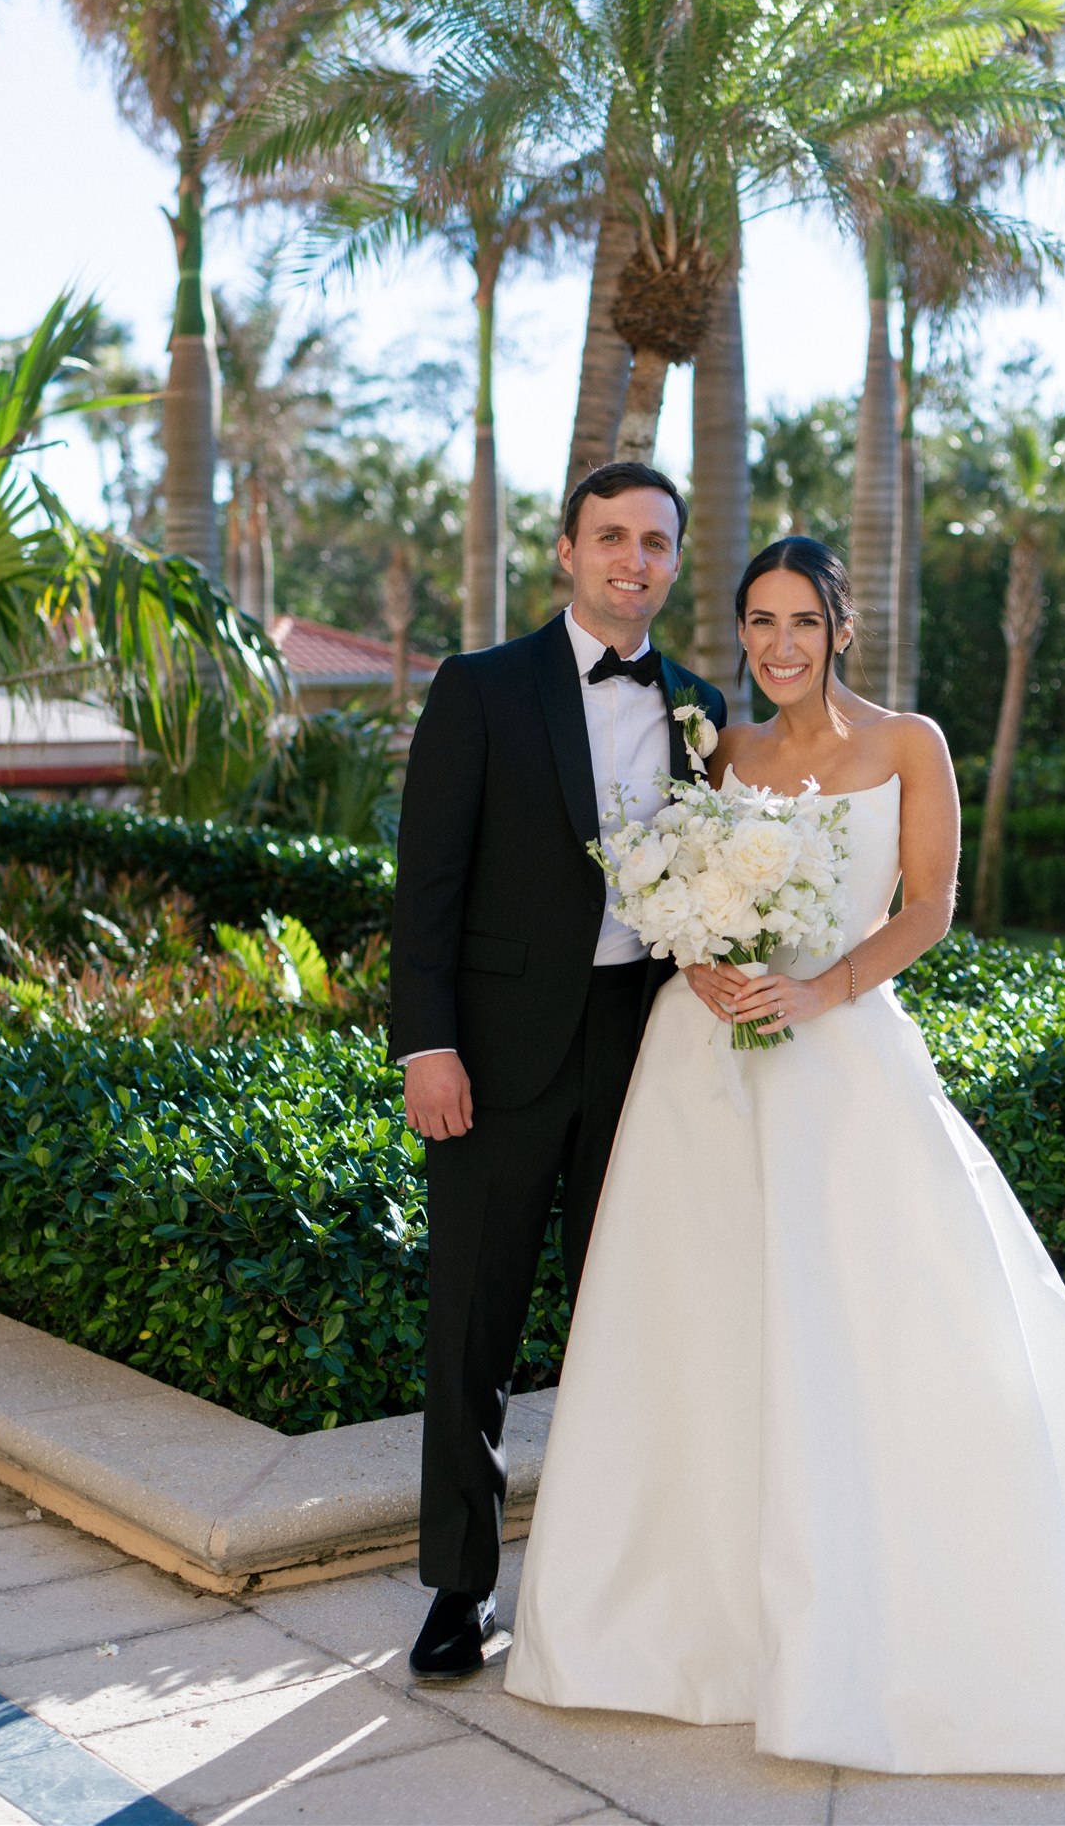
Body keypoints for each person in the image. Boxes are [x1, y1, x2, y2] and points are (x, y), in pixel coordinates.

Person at [503, 535, 1065, 1775]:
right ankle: (682, 1629)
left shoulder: (906, 743)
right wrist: (703, 958)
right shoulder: (721, 747)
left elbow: (929, 902)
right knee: (699, 1330)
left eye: (800, 622)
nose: (776, 645)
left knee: (874, 1324)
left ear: (839, 625)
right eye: (757, 623)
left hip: (839, 1055)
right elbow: (677, 886)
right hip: (700, 1067)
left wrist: (822, 991)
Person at [389, 460, 727, 1683]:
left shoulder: (699, 703)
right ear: (568, 551)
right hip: (490, 1052)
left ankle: (603, 1587)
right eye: (610, 537)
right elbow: (424, 883)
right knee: (470, 1328)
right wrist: (427, 1042)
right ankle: (455, 1588)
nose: (632, 559)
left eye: (654, 542)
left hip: (641, 1048)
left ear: (673, 560)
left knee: (620, 1322)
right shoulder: (479, 688)